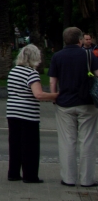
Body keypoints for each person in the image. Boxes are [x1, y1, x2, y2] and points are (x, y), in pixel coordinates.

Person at [49, 26, 98, 187]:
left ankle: (68, 178)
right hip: (87, 103)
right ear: (80, 40)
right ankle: (87, 179)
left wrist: (54, 97)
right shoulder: (89, 55)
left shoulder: (57, 56)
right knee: (88, 141)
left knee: (67, 141)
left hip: (65, 103)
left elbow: (53, 81)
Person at [7, 44, 56, 183]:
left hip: (12, 111)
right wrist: (56, 95)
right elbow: (38, 94)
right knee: (30, 146)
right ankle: (30, 175)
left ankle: (13, 173)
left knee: (15, 144)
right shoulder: (31, 73)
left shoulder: (13, 71)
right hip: (27, 113)